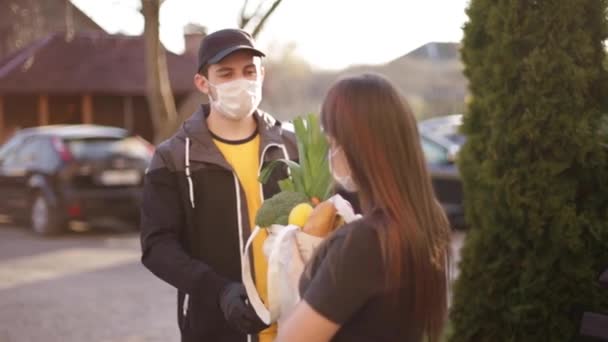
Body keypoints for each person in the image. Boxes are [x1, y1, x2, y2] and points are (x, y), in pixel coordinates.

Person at [140, 28, 297, 342]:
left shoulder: (291, 145)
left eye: (249, 71)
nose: (241, 82)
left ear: (262, 75)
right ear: (203, 83)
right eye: (226, 74)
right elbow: (157, 247)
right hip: (216, 327)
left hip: (294, 326)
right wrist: (218, 290)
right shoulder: (174, 157)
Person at [277, 73, 452, 342]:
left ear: (357, 148)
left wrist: (292, 272)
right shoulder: (430, 219)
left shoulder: (363, 241)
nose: (331, 153)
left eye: (333, 142)